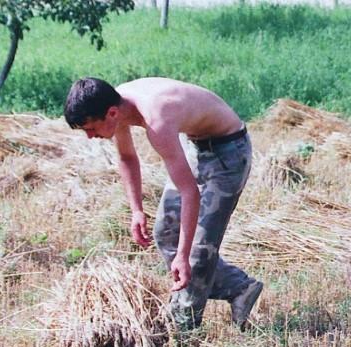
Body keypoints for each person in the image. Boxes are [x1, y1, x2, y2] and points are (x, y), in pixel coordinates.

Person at [64, 77, 263, 330]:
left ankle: (182, 330)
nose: (90, 136)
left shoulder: (156, 119)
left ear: (111, 113)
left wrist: (182, 257)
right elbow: (126, 157)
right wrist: (136, 210)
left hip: (229, 152)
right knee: (166, 232)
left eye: (90, 128)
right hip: (196, 145)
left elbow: (190, 193)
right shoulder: (116, 104)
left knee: (197, 252)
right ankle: (240, 287)